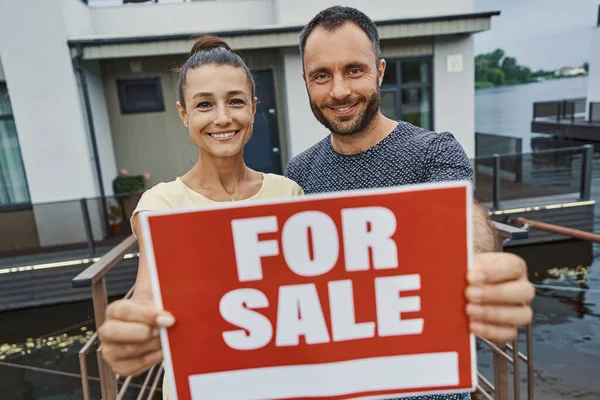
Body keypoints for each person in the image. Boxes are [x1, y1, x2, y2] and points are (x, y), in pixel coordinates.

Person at [284, 6, 534, 400]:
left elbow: (461, 222)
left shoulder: (434, 153)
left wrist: (480, 263)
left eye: (354, 70)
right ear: (305, 82)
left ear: (380, 71)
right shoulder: (299, 172)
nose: (339, 91)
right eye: (321, 76)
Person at [97, 35, 303, 396]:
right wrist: (134, 328)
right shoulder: (161, 204)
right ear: (184, 113)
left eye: (235, 101)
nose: (222, 117)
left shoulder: (288, 193)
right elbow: (147, 292)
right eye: (204, 104)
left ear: (253, 108)